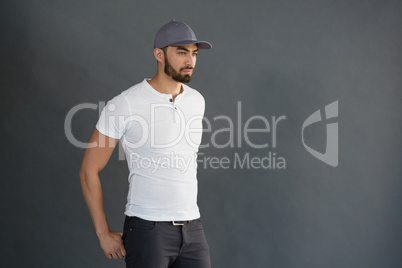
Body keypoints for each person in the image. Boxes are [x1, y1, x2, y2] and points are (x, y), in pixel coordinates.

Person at [79, 20, 212, 268]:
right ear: (159, 55)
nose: (190, 61)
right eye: (182, 52)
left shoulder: (196, 101)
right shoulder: (126, 104)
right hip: (148, 230)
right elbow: (88, 170)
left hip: (193, 228)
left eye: (194, 53)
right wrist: (103, 233)